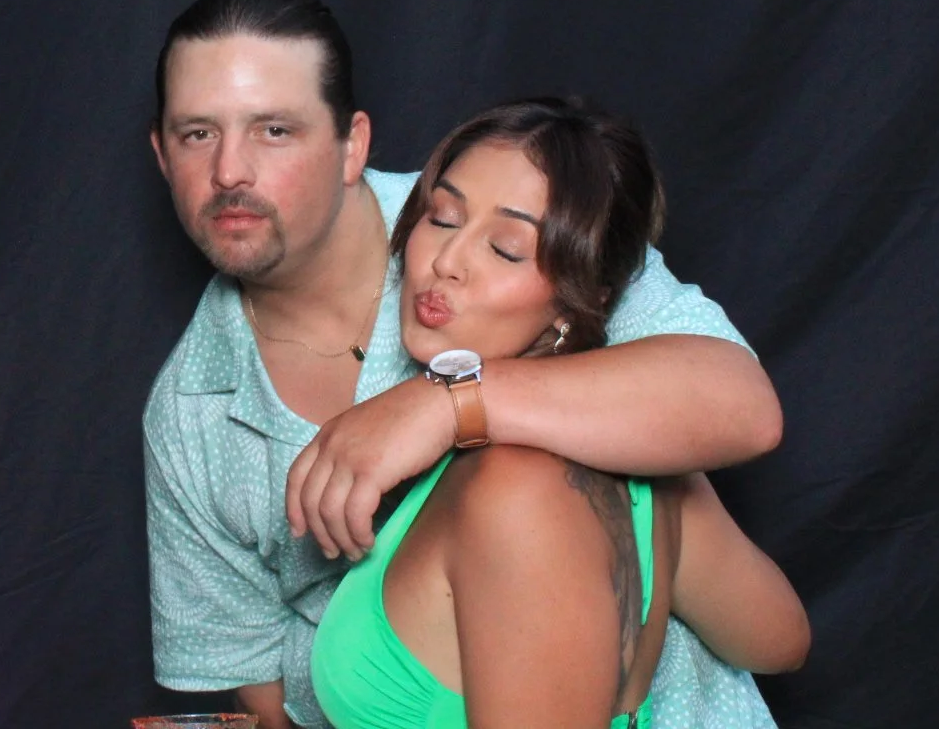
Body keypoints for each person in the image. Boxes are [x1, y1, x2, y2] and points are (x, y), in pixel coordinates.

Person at [143, 0, 787, 729]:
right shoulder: (188, 415)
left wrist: (447, 404)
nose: (230, 172)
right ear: (162, 155)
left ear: (352, 144)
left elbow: (740, 405)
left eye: (274, 130)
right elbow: (262, 697)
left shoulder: (525, 216)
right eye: (197, 134)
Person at [308, 98, 809, 728]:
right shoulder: (642, 458)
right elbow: (776, 637)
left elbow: (778, 641)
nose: (447, 260)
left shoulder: (515, 485)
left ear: (585, 297)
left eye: (508, 249)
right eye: (441, 217)